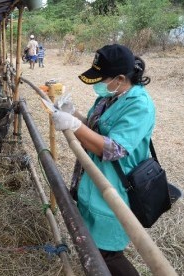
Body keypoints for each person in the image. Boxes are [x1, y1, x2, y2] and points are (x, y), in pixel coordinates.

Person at [52, 44, 153, 276]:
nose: (98, 84)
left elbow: (114, 148)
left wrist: (74, 126)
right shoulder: (111, 97)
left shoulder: (140, 105)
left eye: (102, 78)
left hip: (114, 190)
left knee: (108, 254)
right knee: (93, 247)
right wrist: (73, 113)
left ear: (120, 78)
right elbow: (95, 128)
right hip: (92, 184)